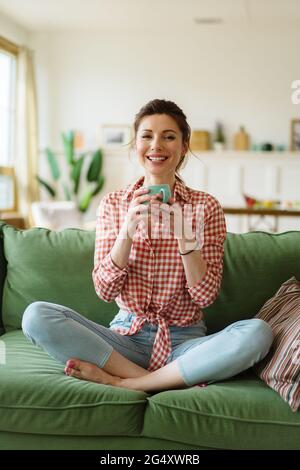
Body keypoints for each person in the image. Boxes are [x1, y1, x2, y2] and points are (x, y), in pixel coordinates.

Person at [22, 99, 273, 393]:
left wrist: (185, 239)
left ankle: (126, 383)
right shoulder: (114, 204)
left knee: (258, 333)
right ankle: (155, 381)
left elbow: (205, 297)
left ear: (183, 146)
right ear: (135, 144)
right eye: (147, 136)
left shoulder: (206, 206)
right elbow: (105, 291)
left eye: (169, 136)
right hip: (125, 342)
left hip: (186, 344)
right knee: (36, 315)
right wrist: (126, 232)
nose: (157, 145)